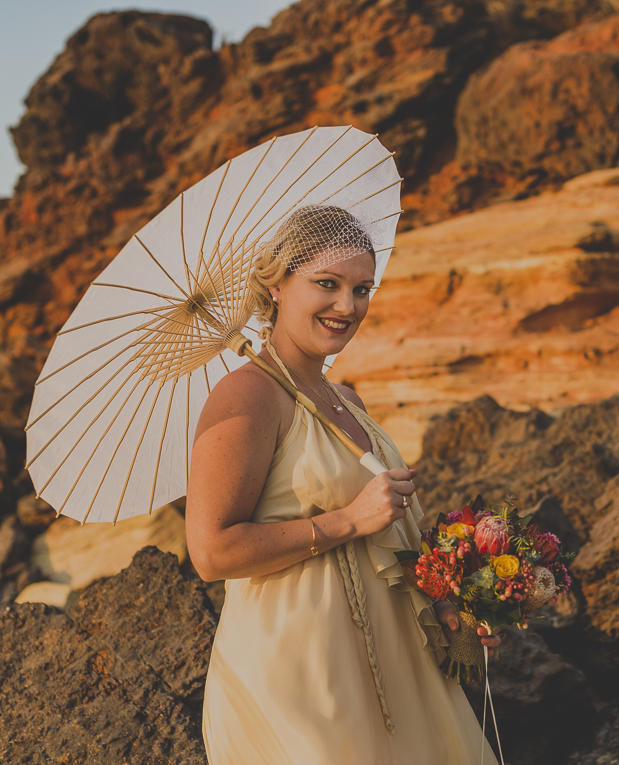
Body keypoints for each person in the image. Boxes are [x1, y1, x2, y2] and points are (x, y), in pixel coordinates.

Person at [186, 205, 503, 765]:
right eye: (326, 284)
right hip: (302, 674)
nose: (347, 306)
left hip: (396, 660)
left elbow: (389, 536)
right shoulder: (247, 397)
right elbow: (212, 552)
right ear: (277, 284)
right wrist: (348, 520)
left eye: (362, 288)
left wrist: (449, 604)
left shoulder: (347, 400)